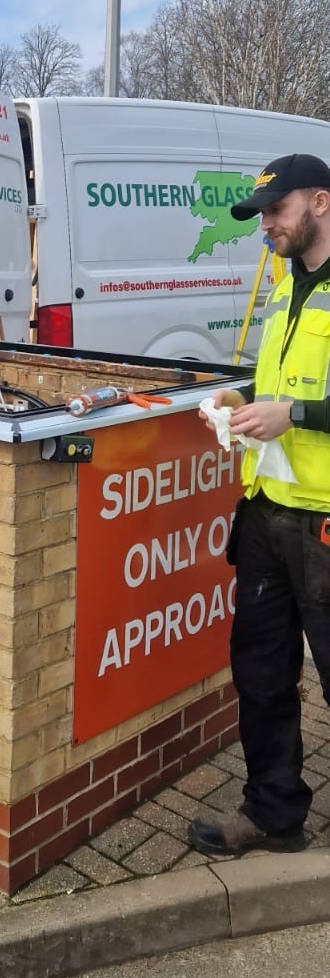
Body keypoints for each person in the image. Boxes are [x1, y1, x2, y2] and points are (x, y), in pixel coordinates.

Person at [188, 152, 330, 857]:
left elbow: (300, 400)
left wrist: (295, 414)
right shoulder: (285, 286)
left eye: (275, 211)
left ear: (320, 203)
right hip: (266, 512)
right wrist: (239, 399)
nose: (265, 226)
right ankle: (273, 813)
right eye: (260, 216)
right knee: (262, 675)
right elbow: (276, 376)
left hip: (326, 522)